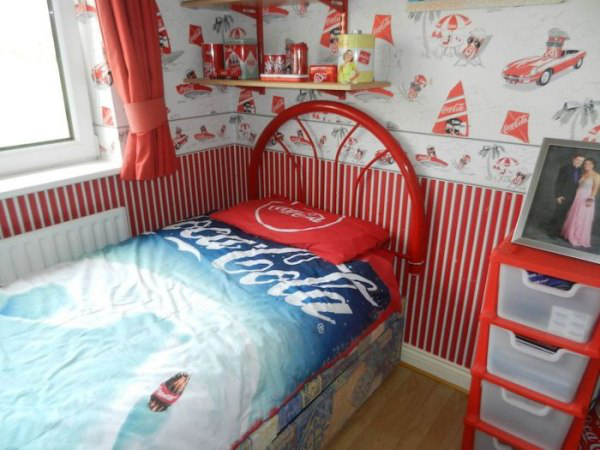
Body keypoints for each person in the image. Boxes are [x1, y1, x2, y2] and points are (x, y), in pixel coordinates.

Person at [561, 158, 600, 248]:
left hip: (586, 199)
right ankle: (571, 235)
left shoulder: (597, 176)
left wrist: (590, 199)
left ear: (593, 165)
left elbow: (595, 189)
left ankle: (578, 237)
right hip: (577, 198)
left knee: (582, 217)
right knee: (574, 215)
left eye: (589, 164)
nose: (587, 166)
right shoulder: (583, 174)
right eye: (585, 164)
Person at [549, 154, 585, 234]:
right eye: (578, 160)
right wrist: (558, 195)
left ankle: (561, 231)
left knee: (568, 215)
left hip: (574, 197)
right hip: (563, 196)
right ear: (574, 159)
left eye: (581, 161)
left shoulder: (580, 171)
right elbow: (559, 182)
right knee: (560, 213)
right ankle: (553, 233)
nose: (579, 162)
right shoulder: (565, 169)